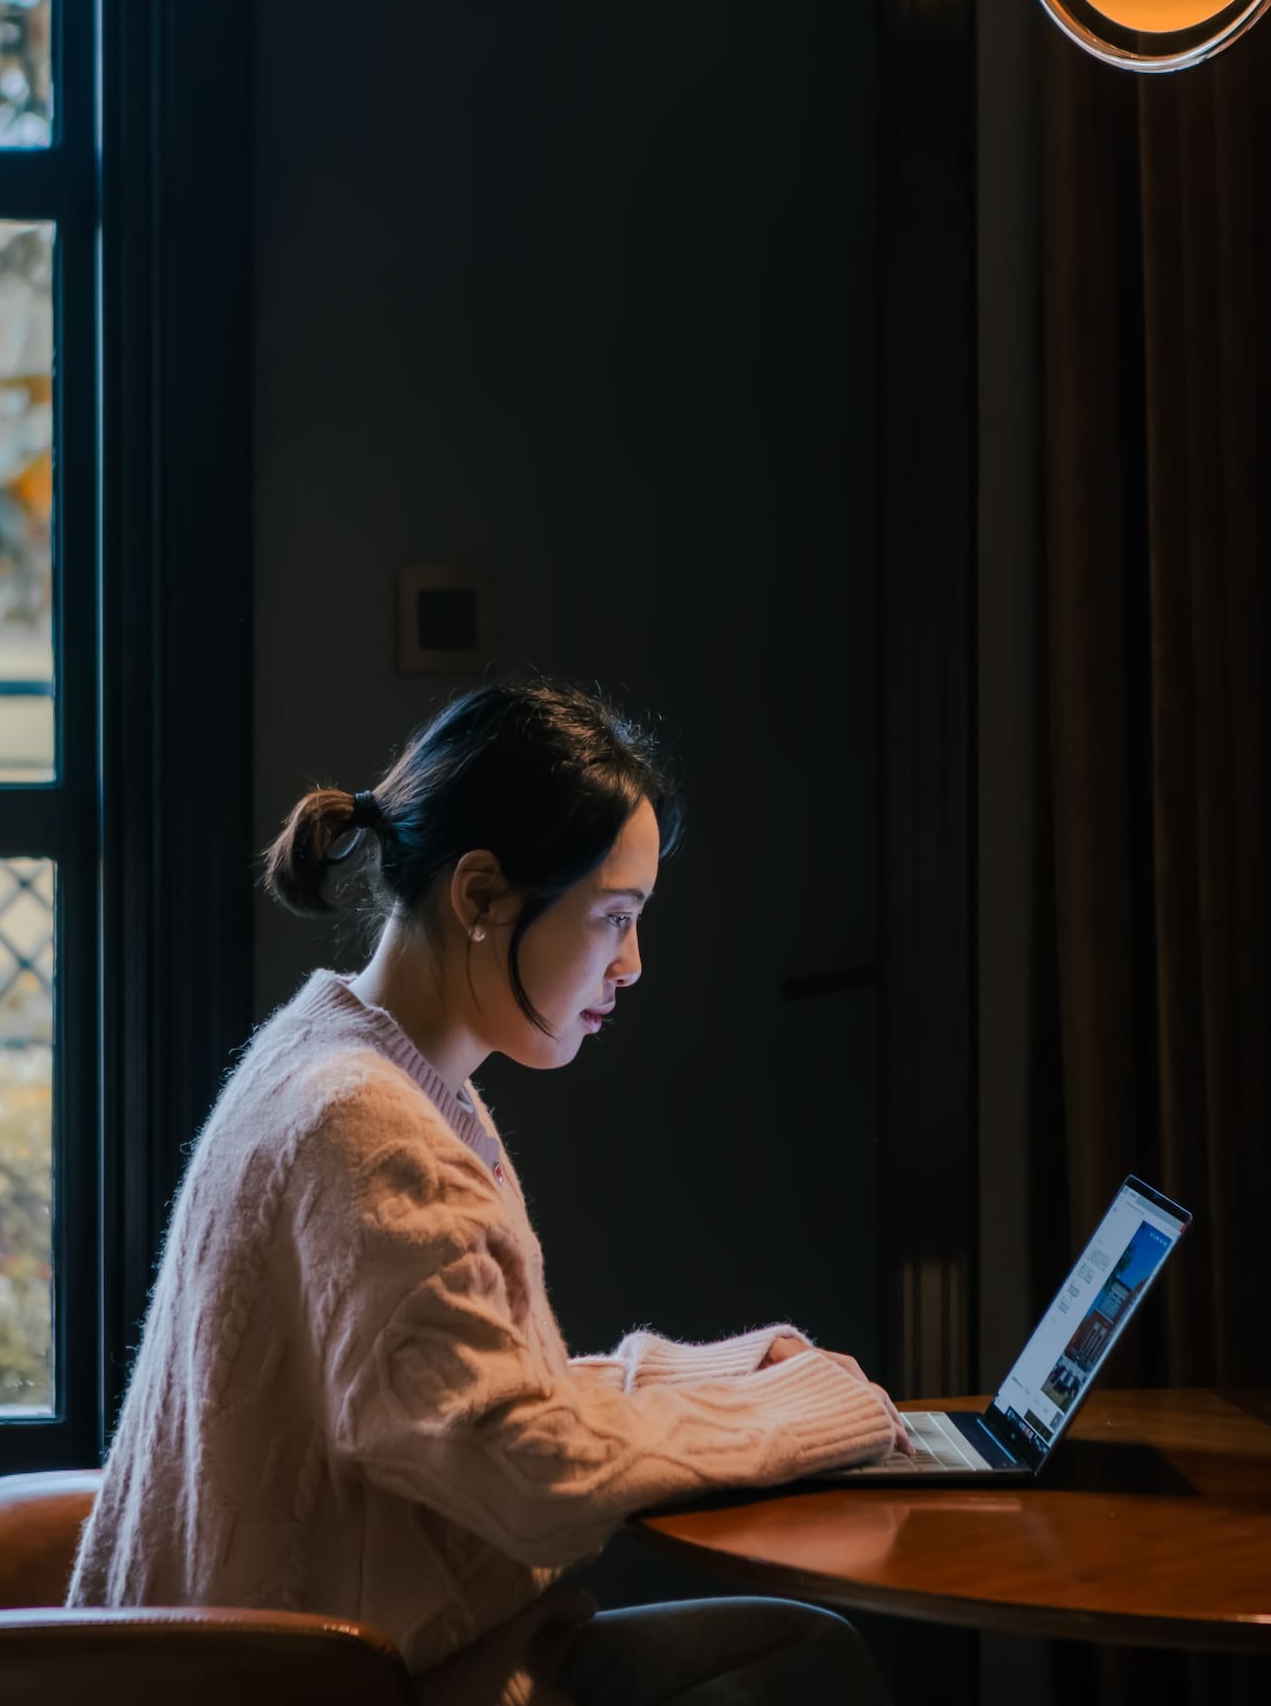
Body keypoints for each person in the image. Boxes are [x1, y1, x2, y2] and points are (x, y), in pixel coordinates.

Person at [70, 680, 909, 1704]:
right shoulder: (367, 1127)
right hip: (364, 1678)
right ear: (477, 895)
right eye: (612, 917)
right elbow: (528, 1472)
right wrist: (804, 1414)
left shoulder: (342, 1060)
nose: (631, 963)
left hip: (367, 1656)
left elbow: (460, 1400)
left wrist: (721, 1373)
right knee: (803, 1665)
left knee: (793, 1652)